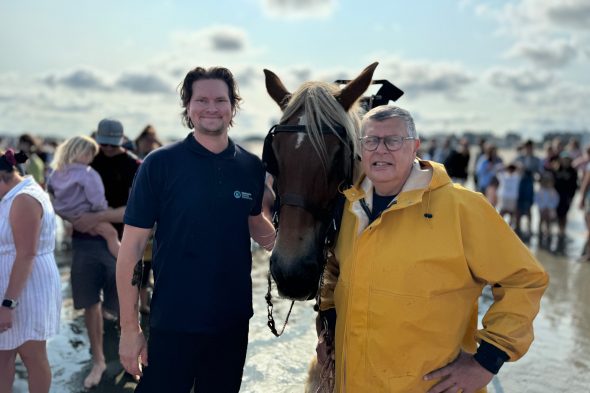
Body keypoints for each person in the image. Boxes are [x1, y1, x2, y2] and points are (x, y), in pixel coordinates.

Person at [319, 105, 548, 393]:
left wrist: (487, 361)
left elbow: (524, 279)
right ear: (360, 149)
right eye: (371, 141)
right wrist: (327, 333)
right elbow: (333, 271)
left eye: (393, 140)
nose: (381, 150)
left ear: (415, 146)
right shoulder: (349, 207)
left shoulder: (462, 208)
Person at [117, 66, 276, 393]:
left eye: (220, 99)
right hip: (173, 320)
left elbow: (255, 224)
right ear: (187, 106)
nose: (211, 107)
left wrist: (295, 238)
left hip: (232, 323)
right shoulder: (159, 164)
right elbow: (131, 249)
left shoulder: (251, 167)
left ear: (233, 106)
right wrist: (130, 330)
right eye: (201, 99)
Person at [69, 118, 141, 389]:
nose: (107, 150)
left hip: (122, 242)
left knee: (124, 304)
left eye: (113, 145)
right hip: (85, 241)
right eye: (103, 145)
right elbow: (65, 198)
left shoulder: (135, 165)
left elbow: (133, 211)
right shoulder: (86, 160)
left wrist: (94, 217)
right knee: (89, 302)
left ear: (122, 140)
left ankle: (129, 359)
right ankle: (98, 360)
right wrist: (81, 219)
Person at [0, 149, 61, 393]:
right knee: (3, 357)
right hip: (14, 283)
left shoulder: (24, 198)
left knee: (32, 355)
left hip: (26, 288)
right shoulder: (11, 195)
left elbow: (26, 254)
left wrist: (7, 304)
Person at [47, 135, 120, 258]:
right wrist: (104, 210)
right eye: (91, 154)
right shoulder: (88, 173)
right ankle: (128, 265)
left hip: (66, 214)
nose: (92, 159)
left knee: (92, 230)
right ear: (85, 153)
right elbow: (96, 199)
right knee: (111, 234)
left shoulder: (57, 171)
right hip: (84, 213)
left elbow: (50, 190)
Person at [535, 172, 559, 249]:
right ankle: (540, 233)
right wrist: (542, 207)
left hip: (550, 210)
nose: (547, 183)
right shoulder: (540, 190)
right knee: (541, 221)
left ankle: (548, 234)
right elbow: (537, 200)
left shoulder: (553, 191)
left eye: (549, 181)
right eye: (545, 181)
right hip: (541, 209)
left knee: (549, 222)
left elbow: (555, 200)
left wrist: (549, 207)